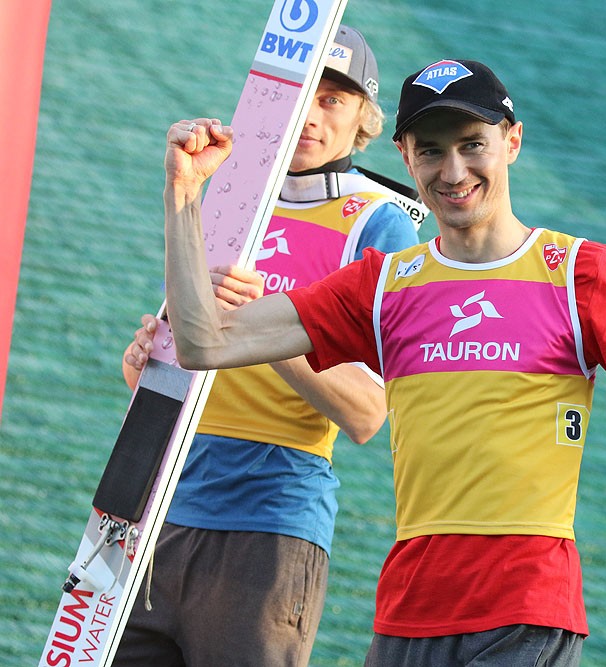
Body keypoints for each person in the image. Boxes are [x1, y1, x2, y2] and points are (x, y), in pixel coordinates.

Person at [158, 59, 606, 666]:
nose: (453, 170)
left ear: (512, 142)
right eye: (431, 150)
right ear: (405, 157)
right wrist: (184, 193)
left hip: (525, 611)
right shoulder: (382, 284)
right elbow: (204, 343)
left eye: (472, 145)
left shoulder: (581, 273)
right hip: (407, 612)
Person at [114, 25, 422, 667]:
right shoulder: (227, 193)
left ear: (362, 122)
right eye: (302, 94)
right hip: (157, 509)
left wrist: (262, 328)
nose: (310, 115)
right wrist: (145, 361)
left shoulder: (382, 222)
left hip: (268, 525)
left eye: (332, 100)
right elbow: (184, 362)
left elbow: (367, 412)